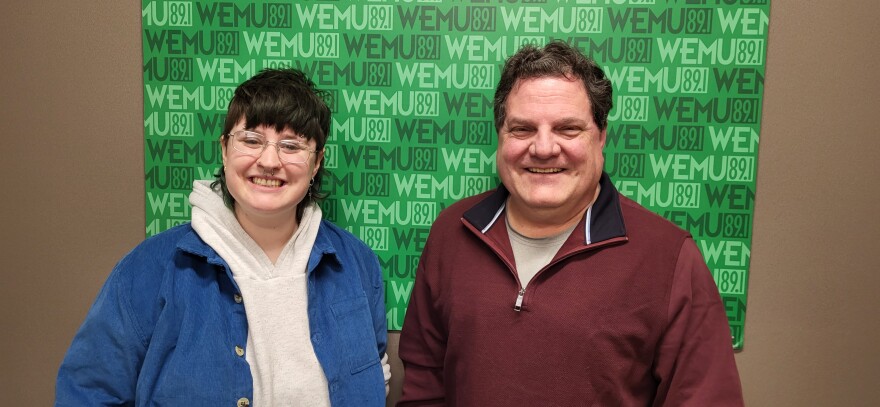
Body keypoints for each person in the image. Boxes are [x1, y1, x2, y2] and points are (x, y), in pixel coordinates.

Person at [397, 41, 744, 406]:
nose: (544, 148)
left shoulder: (669, 258)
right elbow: (424, 385)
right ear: (500, 135)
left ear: (601, 136)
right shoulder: (452, 233)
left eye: (567, 129)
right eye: (522, 129)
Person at [56, 68, 390, 406]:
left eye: (291, 146)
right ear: (225, 150)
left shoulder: (358, 265)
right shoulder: (147, 271)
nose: (269, 161)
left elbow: (377, 373)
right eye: (251, 140)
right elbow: (88, 392)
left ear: (316, 163)